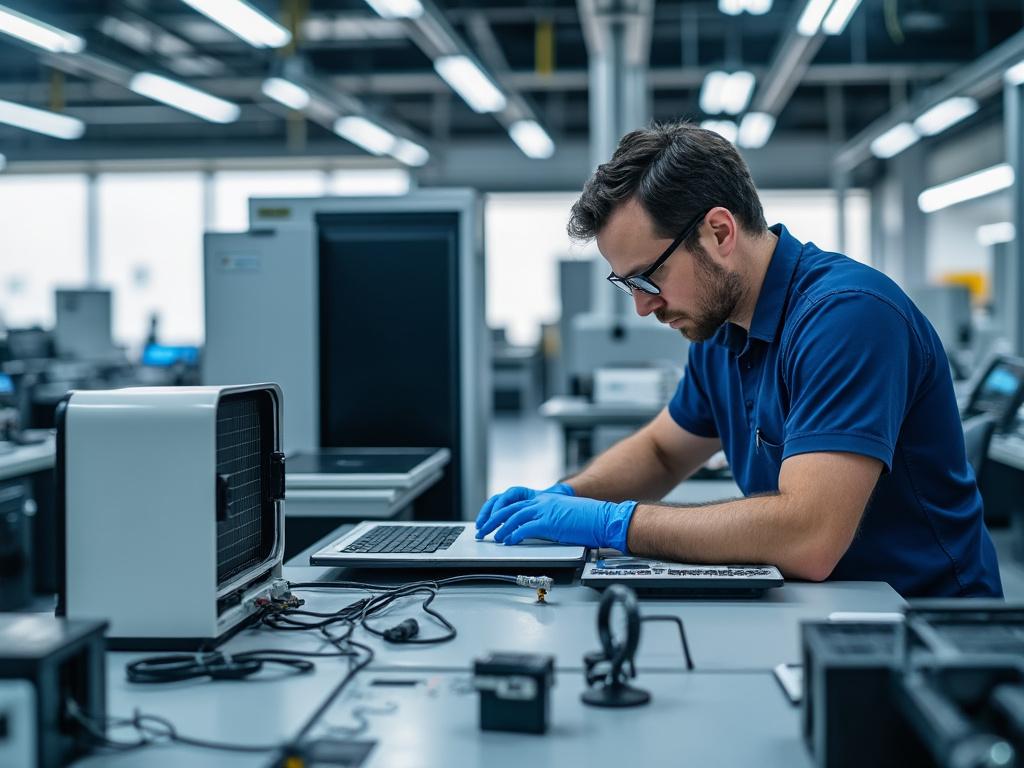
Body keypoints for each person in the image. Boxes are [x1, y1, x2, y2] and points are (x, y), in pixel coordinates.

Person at [476, 121, 1001, 598]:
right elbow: (663, 452)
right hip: (818, 605)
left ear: (720, 232)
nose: (641, 306)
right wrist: (559, 499)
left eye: (647, 277)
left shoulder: (848, 317)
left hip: (921, 630)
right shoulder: (721, 330)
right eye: (625, 285)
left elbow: (808, 536)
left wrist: (612, 523)